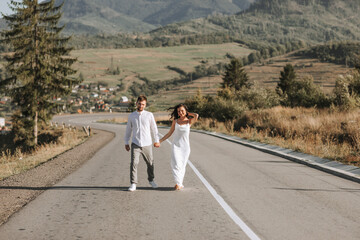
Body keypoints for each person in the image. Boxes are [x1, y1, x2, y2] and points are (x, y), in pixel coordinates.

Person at [124, 95, 160, 192]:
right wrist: (126, 142)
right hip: (136, 143)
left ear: (145, 104)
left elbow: (154, 128)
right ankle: (133, 183)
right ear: (136, 103)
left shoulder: (149, 115)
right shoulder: (132, 116)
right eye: (139, 103)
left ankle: (151, 180)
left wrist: (157, 140)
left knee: (150, 163)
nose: (141, 105)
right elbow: (128, 130)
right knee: (134, 163)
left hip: (147, 143)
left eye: (143, 104)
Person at [159, 104, 198, 190]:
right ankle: (178, 183)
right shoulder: (175, 121)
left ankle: (180, 183)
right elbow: (169, 133)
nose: (180, 113)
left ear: (185, 111)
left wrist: (188, 113)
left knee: (182, 166)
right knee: (176, 164)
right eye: (178, 111)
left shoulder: (189, 121)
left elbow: (196, 115)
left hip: (185, 147)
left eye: (182, 111)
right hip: (176, 146)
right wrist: (160, 141)